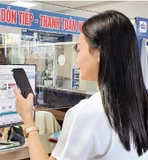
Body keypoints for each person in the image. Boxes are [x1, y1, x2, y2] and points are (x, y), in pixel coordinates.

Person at [14, 10, 148, 160]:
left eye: (79, 49)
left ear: (99, 52)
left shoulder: (88, 111)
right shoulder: (139, 105)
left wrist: (27, 118)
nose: (76, 60)